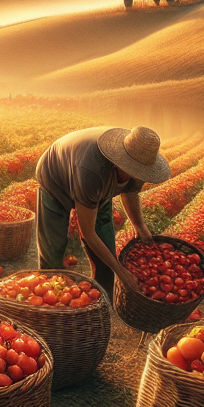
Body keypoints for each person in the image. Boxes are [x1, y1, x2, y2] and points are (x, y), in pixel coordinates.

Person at [35, 125, 169, 298]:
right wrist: (122, 273)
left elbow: (130, 192)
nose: (137, 175)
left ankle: (101, 299)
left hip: (95, 185)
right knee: (53, 249)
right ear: (120, 162)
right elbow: (88, 233)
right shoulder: (93, 171)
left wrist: (139, 226)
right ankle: (48, 300)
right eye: (134, 170)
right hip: (55, 177)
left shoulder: (139, 162)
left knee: (106, 247)